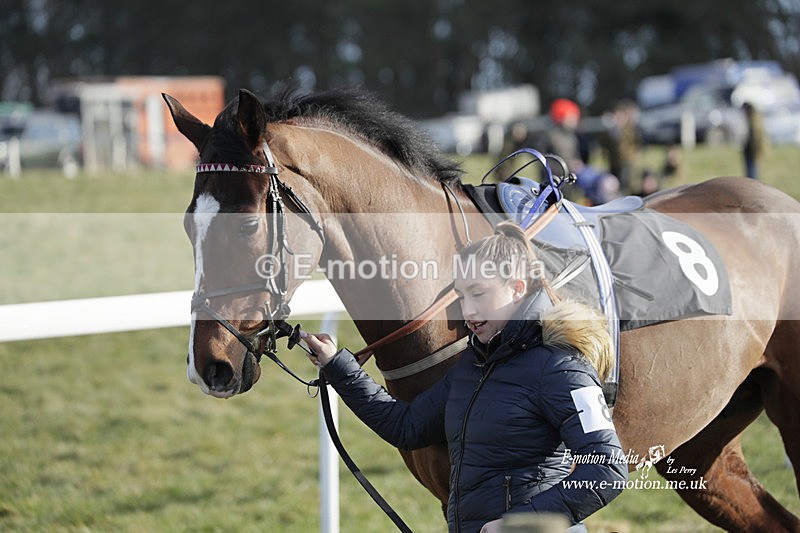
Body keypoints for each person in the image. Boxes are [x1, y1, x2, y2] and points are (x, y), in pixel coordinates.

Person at [302, 221, 628, 533]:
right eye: (461, 296)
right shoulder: (472, 365)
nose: (468, 310)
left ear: (516, 289)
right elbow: (406, 426)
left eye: (479, 293)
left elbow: (607, 469)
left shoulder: (561, 366)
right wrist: (338, 367)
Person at [742, 102, 767, 179]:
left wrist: (757, 149)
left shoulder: (754, 119)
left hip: (752, 149)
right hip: (750, 148)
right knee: (751, 169)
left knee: (752, 170)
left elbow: (756, 136)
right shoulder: (754, 118)